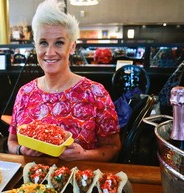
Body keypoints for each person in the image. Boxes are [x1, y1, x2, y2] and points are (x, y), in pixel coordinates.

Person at [7, 0, 121, 161]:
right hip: (32, 183)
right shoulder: (25, 93)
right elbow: (11, 142)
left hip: (79, 181)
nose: (50, 52)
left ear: (72, 46)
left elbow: (114, 147)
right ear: (36, 46)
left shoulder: (96, 93)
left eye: (59, 43)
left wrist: (84, 155)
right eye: (43, 43)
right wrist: (20, 150)